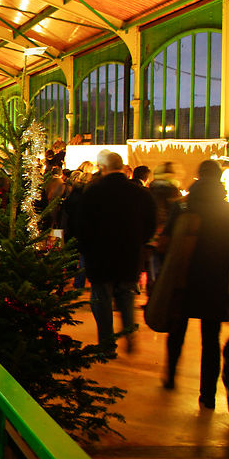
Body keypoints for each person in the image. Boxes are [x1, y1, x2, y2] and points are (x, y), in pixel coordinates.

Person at [159, 160, 229, 409]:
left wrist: (162, 273)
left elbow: (165, 242)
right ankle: (207, 395)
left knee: (176, 332)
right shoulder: (228, 210)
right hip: (215, 281)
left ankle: (170, 376)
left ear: (199, 177)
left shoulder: (184, 206)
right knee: (211, 340)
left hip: (183, 279)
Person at [78, 151, 156, 353]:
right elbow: (151, 225)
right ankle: (129, 331)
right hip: (129, 256)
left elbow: (82, 226)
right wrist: (139, 242)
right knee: (127, 295)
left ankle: (107, 343)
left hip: (100, 256)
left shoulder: (94, 192)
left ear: (102, 168)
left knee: (102, 300)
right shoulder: (140, 193)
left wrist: (86, 250)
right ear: (122, 167)